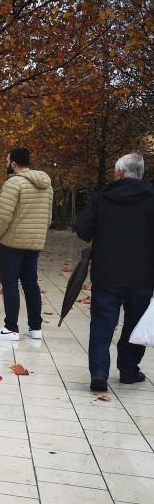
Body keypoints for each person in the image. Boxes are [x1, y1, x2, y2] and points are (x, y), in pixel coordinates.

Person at [75, 152, 154, 392]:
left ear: (119, 173)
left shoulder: (102, 198)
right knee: (134, 322)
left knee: (102, 323)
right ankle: (129, 370)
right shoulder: (152, 198)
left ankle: (99, 372)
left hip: (106, 272)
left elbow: (82, 228)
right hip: (143, 274)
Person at [0, 148, 53, 341]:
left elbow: (2, 215)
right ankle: (35, 328)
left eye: (8, 160)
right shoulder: (47, 185)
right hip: (33, 243)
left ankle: (11, 327)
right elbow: (48, 217)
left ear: (13, 164)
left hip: (11, 243)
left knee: (10, 283)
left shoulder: (13, 184)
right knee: (31, 283)